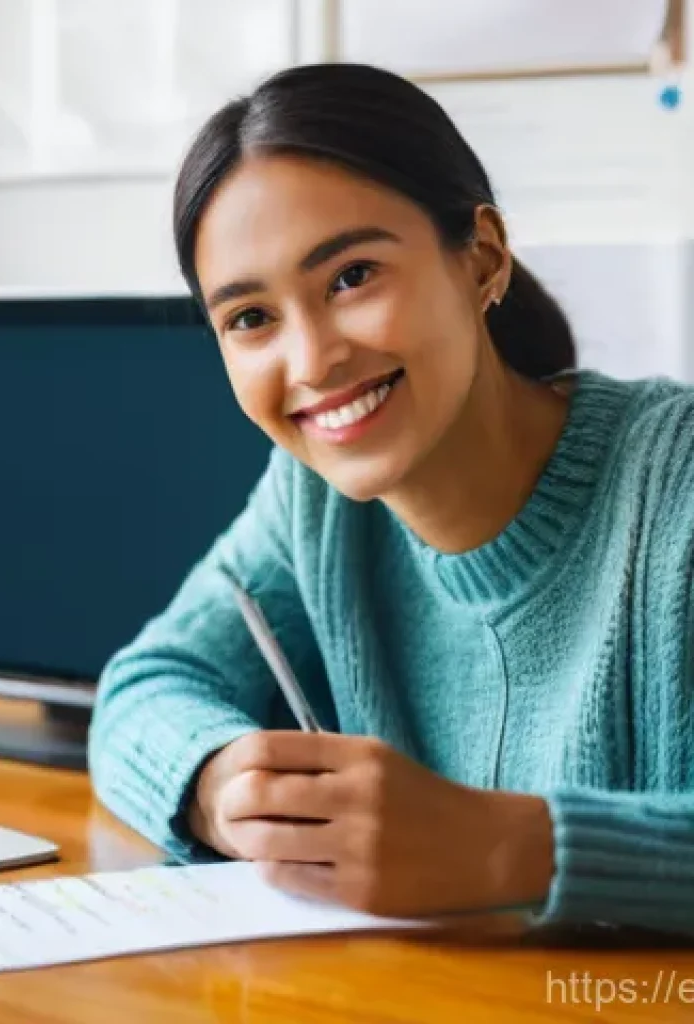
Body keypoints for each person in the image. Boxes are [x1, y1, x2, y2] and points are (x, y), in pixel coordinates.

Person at [87, 63, 694, 935]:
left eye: (351, 277)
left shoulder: (674, 486)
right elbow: (147, 686)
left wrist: (507, 850)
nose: (311, 362)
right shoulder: (311, 504)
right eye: (251, 319)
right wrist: (223, 787)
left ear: (482, 258)